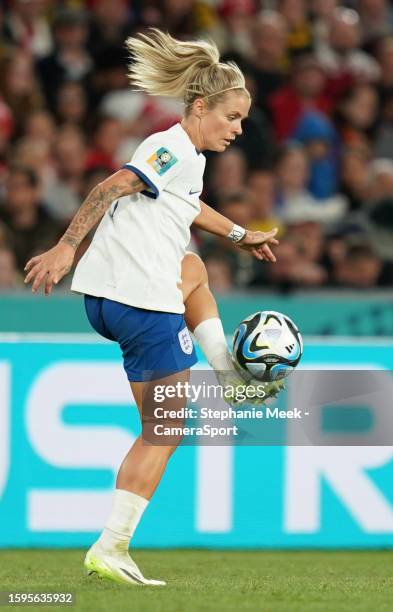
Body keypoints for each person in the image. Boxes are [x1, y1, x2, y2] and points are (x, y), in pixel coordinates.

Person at [24, 29, 279, 586]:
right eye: (232, 117)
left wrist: (239, 233)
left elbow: (187, 207)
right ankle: (111, 548)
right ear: (201, 106)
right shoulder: (169, 147)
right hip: (141, 303)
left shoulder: (187, 157)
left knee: (193, 269)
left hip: (114, 297)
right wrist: (67, 244)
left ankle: (228, 373)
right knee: (164, 429)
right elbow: (114, 184)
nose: (239, 129)